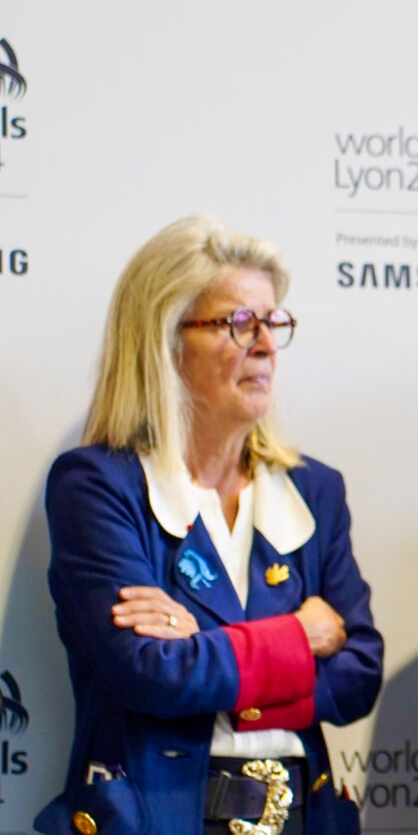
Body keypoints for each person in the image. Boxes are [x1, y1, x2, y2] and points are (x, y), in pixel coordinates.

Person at [37, 215, 384, 835]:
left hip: (306, 816)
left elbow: (359, 674)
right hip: (155, 818)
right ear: (164, 341)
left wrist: (205, 640)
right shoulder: (96, 485)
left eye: (273, 322)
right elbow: (149, 674)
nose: (266, 345)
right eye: (238, 323)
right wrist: (299, 635)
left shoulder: (313, 489)